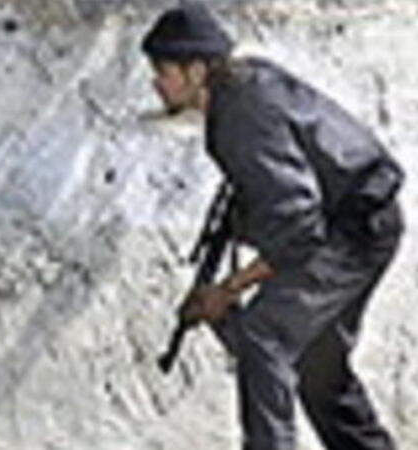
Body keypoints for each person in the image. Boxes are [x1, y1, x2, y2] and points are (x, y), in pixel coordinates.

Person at [141, 2, 404, 450]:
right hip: (367, 221)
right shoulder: (246, 86)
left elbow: (297, 227)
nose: (156, 84)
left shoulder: (239, 113)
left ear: (197, 71)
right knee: (319, 366)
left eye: (163, 71)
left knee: (264, 337)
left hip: (352, 229)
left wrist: (228, 291)